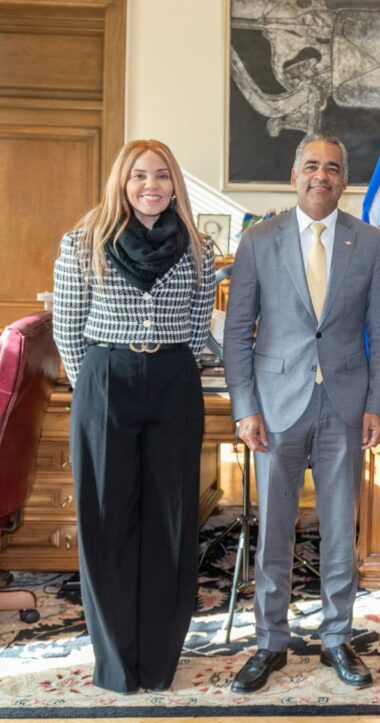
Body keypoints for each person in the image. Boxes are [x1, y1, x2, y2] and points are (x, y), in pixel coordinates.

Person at [223, 133, 380, 693]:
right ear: (294, 174)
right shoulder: (258, 241)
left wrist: (378, 404)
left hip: (345, 405)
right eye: (312, 166)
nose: (322, 175)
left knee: (340, 529)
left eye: (333, 168)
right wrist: (245, 406)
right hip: (275, 409)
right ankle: (269, 643)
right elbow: (237, 332)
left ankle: (336, 640)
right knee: (275, 529)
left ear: (345, 180)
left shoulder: (370, 242)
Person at [52, 139, 216, 693]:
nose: (152, 185)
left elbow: (198, 329)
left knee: (171, 523)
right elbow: (67, 328)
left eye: (162, 175)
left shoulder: (198, 247)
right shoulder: (83, 244)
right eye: (140, 175)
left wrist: (170, 370)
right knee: (107, 521)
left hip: (173, 383)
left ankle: (159, 661)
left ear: (175, 185)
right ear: (121, 183)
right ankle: (117, 665)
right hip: (105, 380)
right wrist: (93, 387)